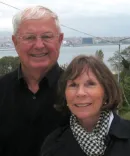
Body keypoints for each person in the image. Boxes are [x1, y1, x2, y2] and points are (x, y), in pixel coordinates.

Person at [0, 5, 66, 156]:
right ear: (15, 42)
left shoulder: (80, 93)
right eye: (29, 37)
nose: (39, 45)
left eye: (47, 36)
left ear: (60, 40)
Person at [41, 55, 130, 156]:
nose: (80, 93)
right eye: (73, 85)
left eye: (90, 84)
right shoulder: (53, 145)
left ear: (106, 92)